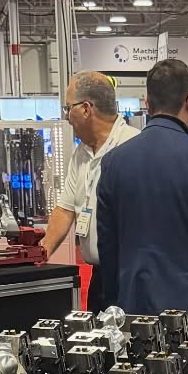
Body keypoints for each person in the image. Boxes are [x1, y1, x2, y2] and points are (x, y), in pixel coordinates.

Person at [96, 57, 188, 317]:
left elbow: (107, 244)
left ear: (147, 104)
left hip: (132, 305)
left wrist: (117, 300)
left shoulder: (113, 162)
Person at [42, 72, 136, 311]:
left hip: (130, 278)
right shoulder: (81, 154)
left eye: (68, 108)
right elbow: (65, 209)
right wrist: (42, 253)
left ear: (86, 108)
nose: (67, 118)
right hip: (99, 278)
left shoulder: (133, 146)